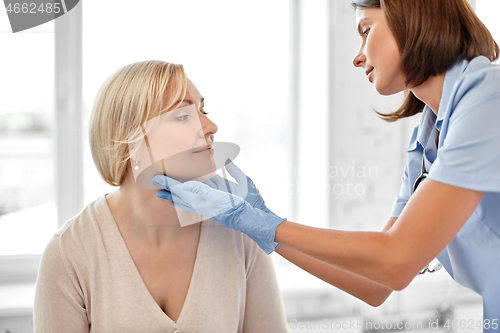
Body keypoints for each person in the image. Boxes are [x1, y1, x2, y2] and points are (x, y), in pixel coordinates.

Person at [152, 0, 500, 326]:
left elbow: (396, 261)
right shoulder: (426, 139)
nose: (358, 57)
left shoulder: (489, 97)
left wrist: (266, 224)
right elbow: (376, 284)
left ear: (410, 16)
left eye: (366, 31)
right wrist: (263, 227)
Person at [33, 60, 288, 333]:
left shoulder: (239, 232)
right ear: (132, 141)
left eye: (203, 110)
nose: (211, 126)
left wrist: (274, 229)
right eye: (183, 116)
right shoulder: (70, 252)